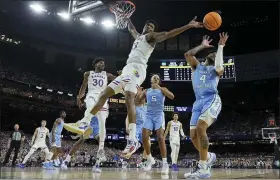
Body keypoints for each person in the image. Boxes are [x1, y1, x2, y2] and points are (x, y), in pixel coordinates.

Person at [78, 17, 203, 157]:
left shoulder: (151, 37)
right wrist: (127, 17)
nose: (149, 28)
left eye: (151, 27)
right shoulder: (138, 36)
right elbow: (131, 29)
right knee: (104, 94)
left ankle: (132, 139)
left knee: (129, 98)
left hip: (138, 69)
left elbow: (168, 34)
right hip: (127, 69)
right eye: (147, 25)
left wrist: (188, 25)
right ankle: (85, 121)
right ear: (143, 26)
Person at [184, 33, 229, 179]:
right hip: (198, 102)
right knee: (192, 136)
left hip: (211, 99)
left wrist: (221, 47)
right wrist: (202, 46)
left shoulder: (216, 70)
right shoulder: (197, 66)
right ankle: (208, 156)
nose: (214, 54)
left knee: (200, 127)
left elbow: (220, 67)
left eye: (217, 54)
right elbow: (188, 54)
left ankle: (203, 168)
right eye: (213, 52)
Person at [62, 58, 116, 172]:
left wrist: (123, 76)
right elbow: (84, 86)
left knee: (102, 133)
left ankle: (97, 164)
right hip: (92, 97)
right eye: (101, 62)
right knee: (81, 139)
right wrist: (79, 96)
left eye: (104, 63)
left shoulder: (107, 74)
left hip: (102, 100)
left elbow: (118, 80)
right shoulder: (88, 73)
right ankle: (66, 160)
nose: (103, 64)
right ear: (95, 64)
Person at [139, 74, 174, 174]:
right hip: (149, 115)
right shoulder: (146, 91)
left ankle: (165, 163)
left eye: (157, 78)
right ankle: (149, 159)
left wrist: (161, 88)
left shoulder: (162, 89)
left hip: (159, 115)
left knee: (160, 137)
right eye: (154, 77)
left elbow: (172, 96)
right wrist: (139, 94)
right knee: (144, 137)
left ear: (159, 81)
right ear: (151, 80)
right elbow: (137, 102)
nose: (155, 78)